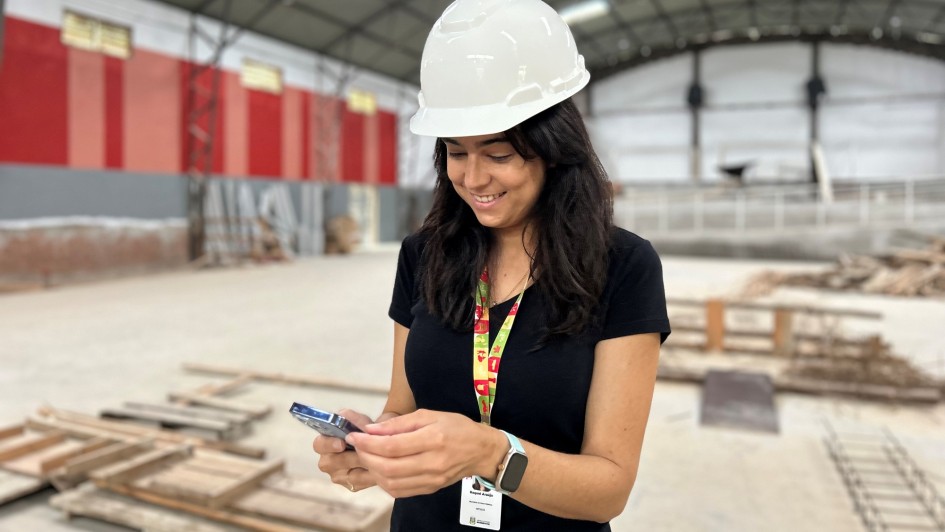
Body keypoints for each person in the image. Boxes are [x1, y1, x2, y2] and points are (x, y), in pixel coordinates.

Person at [313, 1, 670, 530]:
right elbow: (403, 407)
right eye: (457, 153)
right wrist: (375, 443)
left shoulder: (623, 266)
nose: (473, 179)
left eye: (498, 154)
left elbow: (608, 489)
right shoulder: (424, 254)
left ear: (554, 149)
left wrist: (491, 454)